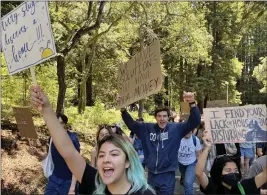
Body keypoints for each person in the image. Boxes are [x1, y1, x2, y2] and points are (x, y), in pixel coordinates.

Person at [30, 86, 155, 195]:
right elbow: (69, 153)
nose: (106, 160)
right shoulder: (94, 183)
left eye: (114, 154)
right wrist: (46, 109)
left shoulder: (144, 193)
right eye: (101, 155)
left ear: (127, 162)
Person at [117, 92, 201, 194]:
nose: (162, 119)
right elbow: (132, 124)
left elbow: (195, 121)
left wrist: (192, 103)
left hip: (167, 175)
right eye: (159, 116)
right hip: (151, 175)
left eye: (165, 116)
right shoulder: (147, 128)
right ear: (155, 117)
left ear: (168, 117)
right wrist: (123, 110)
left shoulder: (176, 129)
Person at [195, 130, 267, 195]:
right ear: (220, 173)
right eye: (228, 170)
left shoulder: (243, 187)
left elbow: (265, 174)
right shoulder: (213, 187)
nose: (233, 173)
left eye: (236, 170)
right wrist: (207, 147)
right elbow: (199, 173)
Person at [45, 113, 80, 195]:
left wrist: (72, 188)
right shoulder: (52, 138)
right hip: (54, 178)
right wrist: (36, 153)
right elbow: (49, 156)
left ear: (65, 124)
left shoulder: (72, 139)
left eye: (61, 123)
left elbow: (76, 164)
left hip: (68, 181)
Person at [178, 131, 202, 195]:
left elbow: (199, 155)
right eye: (186, 129)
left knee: (188, 182)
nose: (188, 131)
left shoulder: (195, 139)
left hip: (192, 164)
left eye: (190, 130)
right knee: (186, 183)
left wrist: (200, 168)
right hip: (181, 164)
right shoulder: (178, 138)